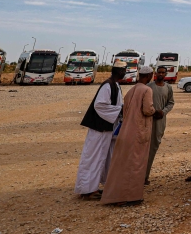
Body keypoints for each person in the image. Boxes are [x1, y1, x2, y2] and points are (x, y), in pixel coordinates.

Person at [101, 66, 155, 205]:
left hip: (126, 131)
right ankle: (129, 197)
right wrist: (156, 111)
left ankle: (115, 195)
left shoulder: (130, 90)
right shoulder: (147, 89)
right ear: (149, 75)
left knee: (123, 164)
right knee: (135, 164)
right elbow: (147, 109)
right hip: (138, 132)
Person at [74, 61, 126, 199]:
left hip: (107, 129)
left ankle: (94, 187)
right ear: (120, 71)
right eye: (124, 70)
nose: (125, 73)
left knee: (103, 158)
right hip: (99, 129)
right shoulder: (107, 85)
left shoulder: (115, 85)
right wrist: (120, 110)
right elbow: (100, 105)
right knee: (93, 158)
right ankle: (87, 190)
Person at [145, 65, 175, 184]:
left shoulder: (168, 88)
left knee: (153, 147)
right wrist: (152, 112)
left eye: (163, 73)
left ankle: (145, 176)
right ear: (155, 74)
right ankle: (140, 176)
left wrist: (163, 112)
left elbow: (171, 103)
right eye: (159, 72)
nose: (161, 74)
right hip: (148, 120)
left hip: (160, 121)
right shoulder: (149, 87)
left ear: (166, 74)